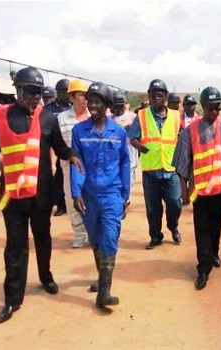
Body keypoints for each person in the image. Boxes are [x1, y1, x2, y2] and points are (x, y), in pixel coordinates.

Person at [0, 67, 82, 324]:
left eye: (38, 93)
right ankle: (12, 298)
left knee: (43, 240)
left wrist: (72, 155)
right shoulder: (0, 118)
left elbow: (58, 146)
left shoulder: (47, 118)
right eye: (30, 92)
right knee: (16, 246)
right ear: (18, 90)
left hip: (41, 194)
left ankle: (46, 277)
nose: (35, 97)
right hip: (12, 196)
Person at [173, 86, 221, 290]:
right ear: (203, 107)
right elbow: (182, 163)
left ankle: (214, 253)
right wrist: (184, 190)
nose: (214, 112)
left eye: (217, 108)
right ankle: (203, 268)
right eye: (210, 108)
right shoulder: (191, 130)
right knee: (202, 228)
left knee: (217, 225)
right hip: (200, 190)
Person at [71, 82, 130, 308]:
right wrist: (76, 192)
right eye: (90, 101)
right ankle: (101, 280)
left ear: (106, 105)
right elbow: (77, 164)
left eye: (97, 102)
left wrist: (124, 195)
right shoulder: (79, 131)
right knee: (95, 240)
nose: (92, 105)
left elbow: (125, 163)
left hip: (111, 195)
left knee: (109, 238)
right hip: (88, 196)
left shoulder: (119, 132)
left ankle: (104, 293)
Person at [128, 79, 182, 248]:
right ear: (149, 97)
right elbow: (132, 137)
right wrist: (140, 147)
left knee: (175, 202)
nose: (156, 99)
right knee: (153, 208)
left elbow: (181, 138)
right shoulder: (142, 116)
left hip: (171, 169)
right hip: (151, 170)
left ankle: (173, 227)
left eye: (160, 95)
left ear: (165, 96)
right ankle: (156, 236)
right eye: (153, 96)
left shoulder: (175, 116)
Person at [57, 79, 90, 248]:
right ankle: (79, 234)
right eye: (81, 95)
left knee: (91, 199)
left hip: (92, 167)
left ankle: (92, 233)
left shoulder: (94, 117)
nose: (84, 99)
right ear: (71, 98)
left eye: (87, 96)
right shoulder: (62, 119)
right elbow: (56, 145)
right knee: (72, 201)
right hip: (69, 167)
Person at [45, 79, 72, 217]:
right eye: (62, 92)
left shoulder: (74, 109)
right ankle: (61, 205)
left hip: (70, 147)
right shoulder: (49, 110)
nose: (65, 95)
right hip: (55, 148)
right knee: (59, 179)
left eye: (67, 92)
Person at [111, 89, 139, 198]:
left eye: (117, 106)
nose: (115, 110)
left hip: (129, 146)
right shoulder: (109, 117)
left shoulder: (132, 116)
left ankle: (125, 196)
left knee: (129, 170)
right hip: (114, 148)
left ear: (123, 105)